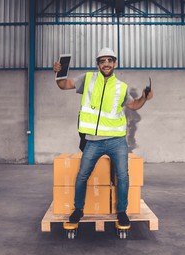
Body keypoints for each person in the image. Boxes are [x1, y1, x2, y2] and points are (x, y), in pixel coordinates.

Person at [53, 47, 153, 226]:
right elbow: (63, 85)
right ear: (98, 64)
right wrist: (59, 72)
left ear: (115, 63)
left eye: (109, 60)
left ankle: (121, 211)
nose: (106, 63)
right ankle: (78, 209)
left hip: (117, 141)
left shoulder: (122, 87)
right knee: (82, 175)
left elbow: (134, 105)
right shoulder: (87, 79)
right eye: (102, 60)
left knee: (123, 176)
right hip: (93, 140)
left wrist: (144, 97)